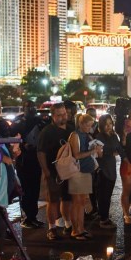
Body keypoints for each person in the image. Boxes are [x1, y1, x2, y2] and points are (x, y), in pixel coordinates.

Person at [37, 103, 73, 241]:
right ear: (53, 115)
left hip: (68, 170)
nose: (63, 117)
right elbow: (41, 153)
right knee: (52, 200)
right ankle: (52, 228)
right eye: (59, 115)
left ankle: (68, 224)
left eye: (64, 114)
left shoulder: (70, 129)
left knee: (67, 198)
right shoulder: (47, 132)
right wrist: (46, 171)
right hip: (53, 171)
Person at [10, 100, 46, 229]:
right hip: (23, 159)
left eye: (32, 107)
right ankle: (27, 216)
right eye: (28, 107)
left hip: (36, 158)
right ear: (24, 108)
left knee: (35, 188)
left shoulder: (40, 121)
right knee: (25, 188)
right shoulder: (18, 121)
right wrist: (22, 144)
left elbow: (44, 136)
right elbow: (11, 137)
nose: (31, 109)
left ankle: (33, 216)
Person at [68, 114, 102, 240]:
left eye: (91, 125)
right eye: (87, 125)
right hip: (77, 171)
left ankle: (81, 228)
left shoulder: (87, 135)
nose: (89, 127)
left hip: (87, 171)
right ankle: (75, 230)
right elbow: (76, 155)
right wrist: (92, 152)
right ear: (81, 124)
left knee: (81, 202)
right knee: (76, 202)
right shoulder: (75, 135)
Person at [95, 114, 124, 229]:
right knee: (103, 195)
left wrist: (124, 157)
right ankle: (103, 219)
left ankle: (104, 215)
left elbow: (119, 149)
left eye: (110, 124)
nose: (108, 126)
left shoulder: (114, 136)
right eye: (105, 124)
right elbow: (98, 154)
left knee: (108, 194)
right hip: (103, 168)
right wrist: (110, 153)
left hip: (111, 167)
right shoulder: (99, 137)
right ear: (101, 125)